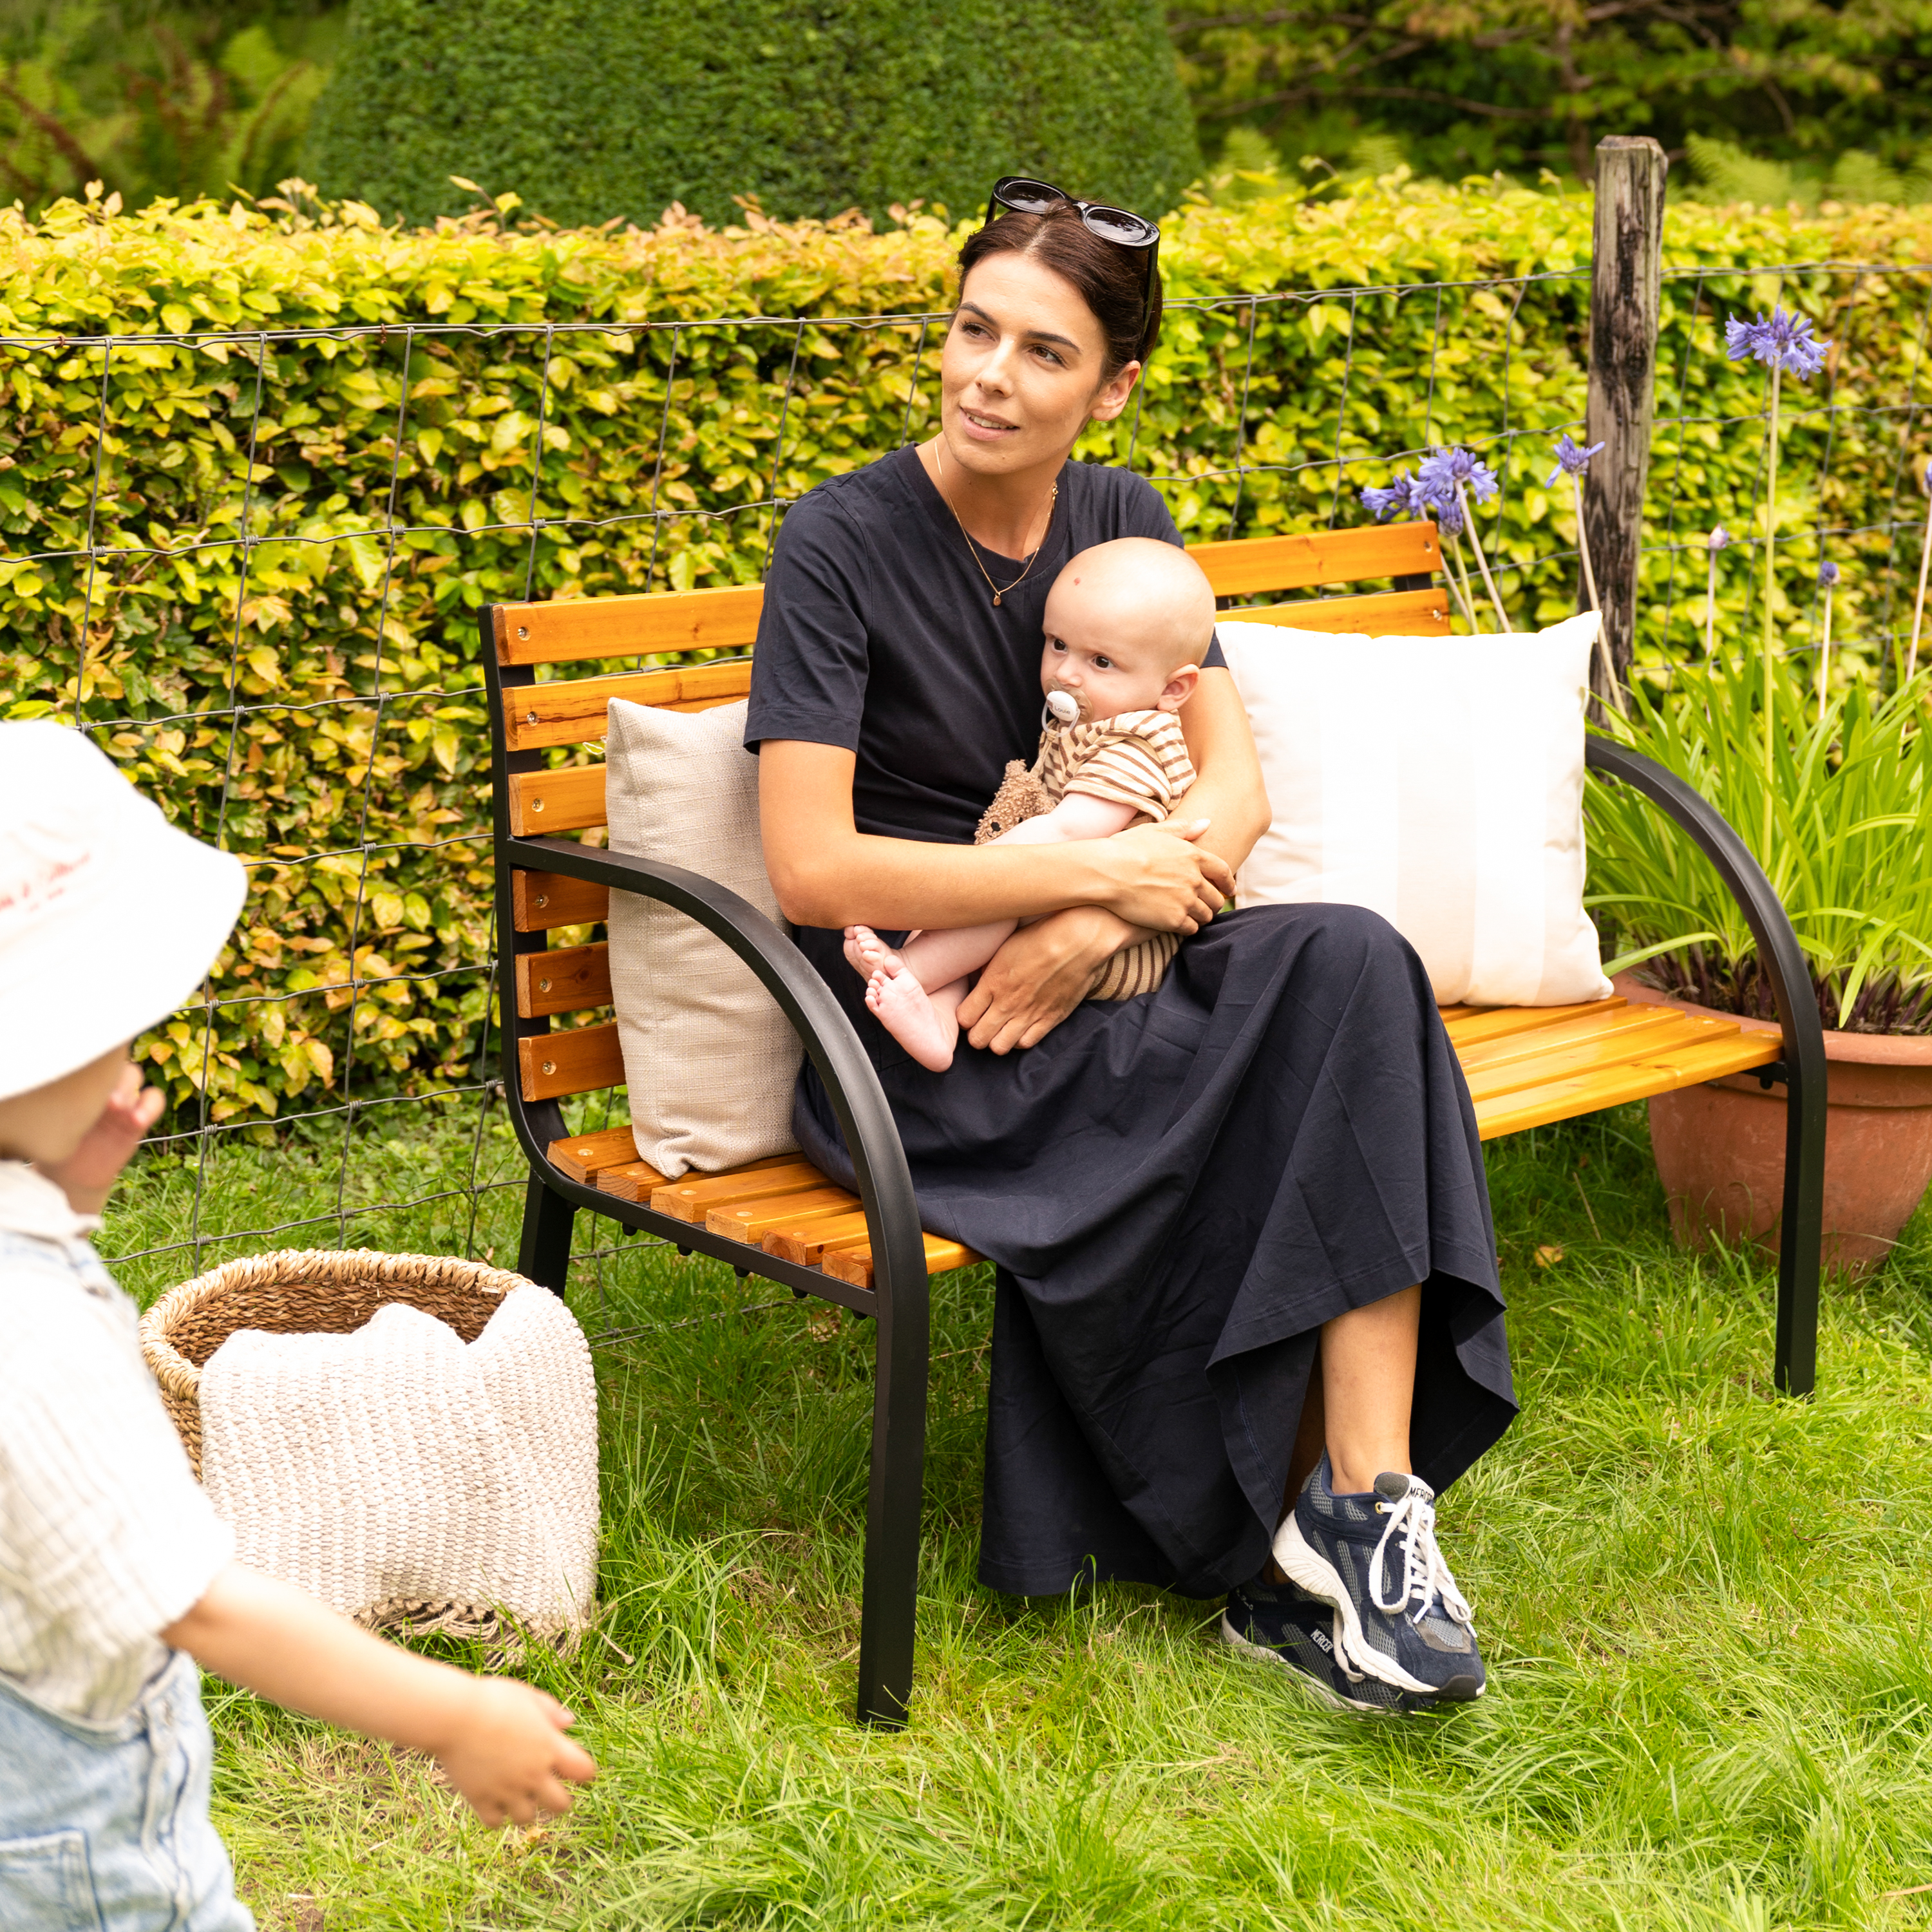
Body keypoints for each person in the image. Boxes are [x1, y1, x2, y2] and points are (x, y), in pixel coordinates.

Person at [746, 177, 1515, 1713]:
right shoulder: (835, 542)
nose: (987, 374)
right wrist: (1043, 908)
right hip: (925, 1033)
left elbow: (1229, 787)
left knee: (1352, 962)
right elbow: (806, 863)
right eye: (973, 330)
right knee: (1293, 1065)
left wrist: (1091, 915)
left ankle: (1355, 1515)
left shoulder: (1125, 525)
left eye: (1041, 352)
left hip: (1096, 965)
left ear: (1110, 387)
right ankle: (1284, 1546)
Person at [0, 722, 596, 1929]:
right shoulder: (33, 1338)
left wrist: (61, 1185)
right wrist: (452, 1712)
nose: (131, 1048)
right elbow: (200, 1601)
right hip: (67, 1816)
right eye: (113, 1017)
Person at [846, 535, 1215, 1071]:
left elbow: (1071, 832)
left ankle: (909, 970)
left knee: (990, 901)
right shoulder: (1089, 724)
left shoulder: (1140, 740)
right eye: (1058, 644)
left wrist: (978, 874)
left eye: (1102, 661)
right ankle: (936, 1025)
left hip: (1114, 943)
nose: (1066, 673)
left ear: (1174, 689)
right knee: (983, 906)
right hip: (1079, 892)